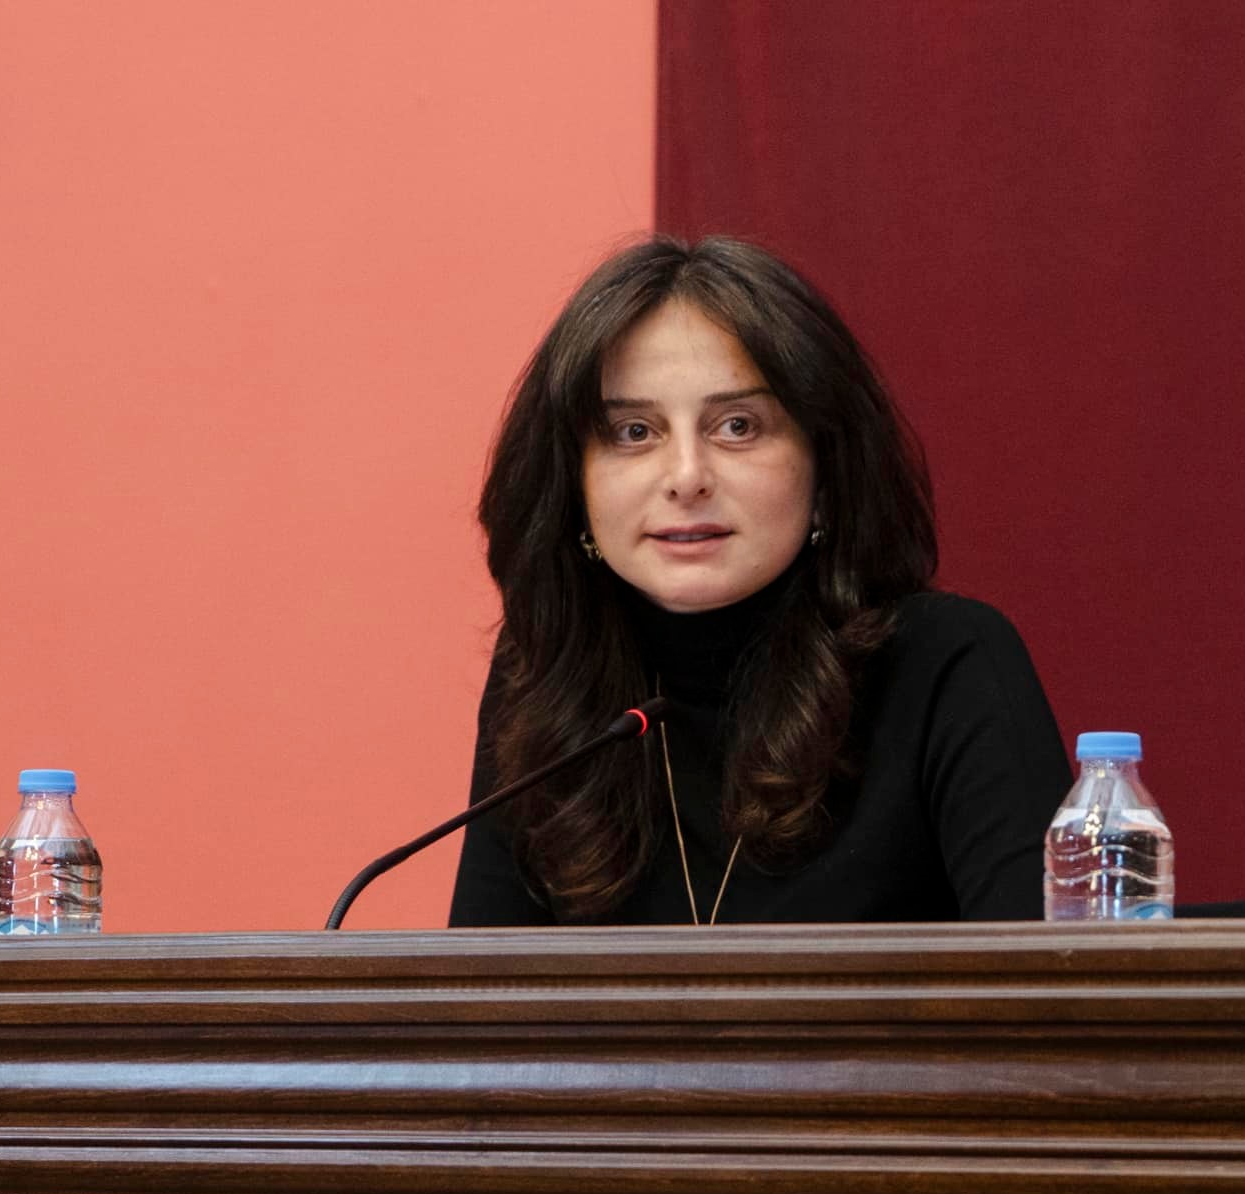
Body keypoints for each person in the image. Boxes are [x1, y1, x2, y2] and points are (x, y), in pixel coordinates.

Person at [448, 236, 1071, 926]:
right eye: (633, 432)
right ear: (574, 483)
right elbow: (485, 983)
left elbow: (1051, 981)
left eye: (738, 426)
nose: (686, 477)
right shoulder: (550, 674)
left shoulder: (946, 663)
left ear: (826, 468)